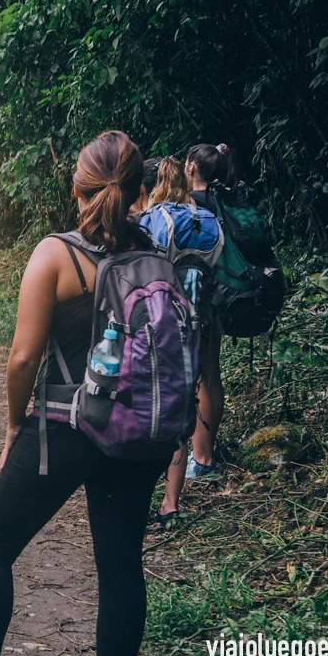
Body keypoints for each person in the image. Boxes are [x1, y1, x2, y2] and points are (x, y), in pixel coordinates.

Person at [0, 131, 169, 656]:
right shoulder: (159, 261)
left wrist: (11, 427)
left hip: (65, 430)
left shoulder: (57, 253)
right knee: (120, 567)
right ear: (142, 191)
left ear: (77, 189)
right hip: (139, 434)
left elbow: (23, 358)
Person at [135, 155, 216, 526]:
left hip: (161, 322)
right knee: (183, 409)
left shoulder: (152, 220)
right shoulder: (202, 217)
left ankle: (136, 492)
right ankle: (171, 504)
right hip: (199, 321)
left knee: (150, 404)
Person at [181, 143, 236, 481]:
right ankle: (206, 452)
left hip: (196, 300)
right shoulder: (226, 201)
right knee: (211, 373)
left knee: (197, 377)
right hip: (222, 295)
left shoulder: (191, 207)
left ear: (190, 167)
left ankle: (200, 458)